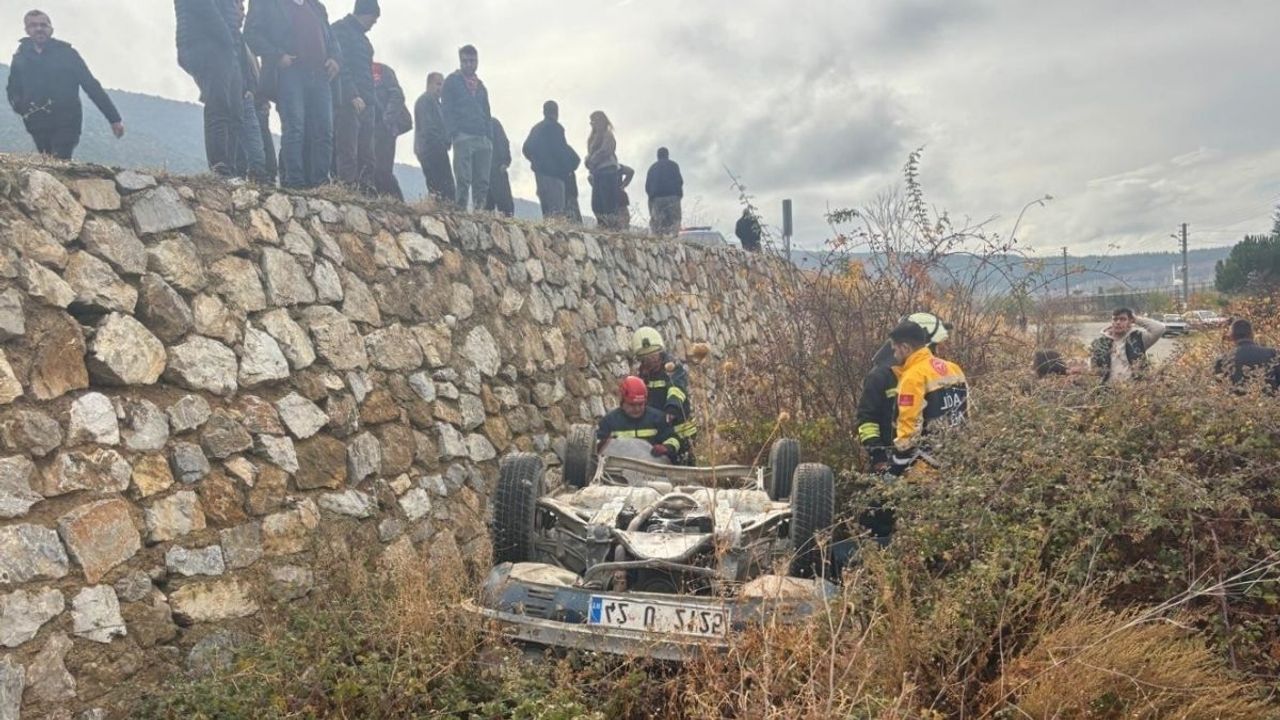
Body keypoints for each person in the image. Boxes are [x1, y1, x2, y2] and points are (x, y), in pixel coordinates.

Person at [245, 0, 340, 189]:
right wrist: (277, 55)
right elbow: (251, 34)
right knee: (295, 127)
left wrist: (335, 58)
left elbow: (332, 40)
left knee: (324, 130)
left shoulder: (316, 7)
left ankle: (320, 183)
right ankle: (294, 182)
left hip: (320, 75)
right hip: (290, 72)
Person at [7, 10, 124, 160]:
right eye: (33, 25)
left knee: (60, 158)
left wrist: (114, 118)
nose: (39, 28)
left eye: (43, 24)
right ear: (27, 30)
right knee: (47, 161)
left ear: (51, 29)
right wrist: (20, 107)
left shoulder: (67, 54)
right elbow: (12, 88)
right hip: (37, 122)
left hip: (67, 120)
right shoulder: (20, 56)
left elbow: (91, 86)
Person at [857, 313, 950, 474]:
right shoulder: (880, 377)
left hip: (926, 463)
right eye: (934, 347)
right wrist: (878, 456)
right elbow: (867, 420)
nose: (936, 354)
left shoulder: (927, 374)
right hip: (891, 461)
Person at [889, 320, 968, 475]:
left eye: (895, 349)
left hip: (926, 466)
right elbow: (965, 413)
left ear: (905, 348)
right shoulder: (954, 368)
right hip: (958, 459)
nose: (894, 354)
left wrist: (897, 468)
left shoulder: (912, 377)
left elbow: (909, 427)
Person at [175, 0, 244, 175]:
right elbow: (204, 8)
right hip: (205, 44)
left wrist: (232, 42)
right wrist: (227, 37)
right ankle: (220, 167)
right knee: (219, 106)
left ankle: (231, 169)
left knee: (236, 113)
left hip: (227, 48)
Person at [330, 0, 379, 193]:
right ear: (365, 13)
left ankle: (366, 190)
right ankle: (347, 188)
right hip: (348, 101)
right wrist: (351, 94)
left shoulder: (364, 40)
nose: (374, 24)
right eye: (373, 19)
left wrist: (374, 103)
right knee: (347, 148)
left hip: (367, 102)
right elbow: (342, 66)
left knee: (367, 153)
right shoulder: (341, 30)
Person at [631, 327, 697, 465]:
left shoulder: (672, 368)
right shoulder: (643, 374)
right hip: (661, 431)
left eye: (653, 355)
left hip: (682, 431)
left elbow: (677, 388)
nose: (650, 361)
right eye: (645, 358)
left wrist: (672, 407)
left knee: (684, 468)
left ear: (660, 352)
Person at [441, 44, 492, 211]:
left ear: (477, 62)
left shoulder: (481, 86)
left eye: (472, 60)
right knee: (463, 178)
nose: (469, 64)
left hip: (482, 138)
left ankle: (479, 211)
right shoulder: (451, 81)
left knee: (482, 180)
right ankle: (460, 211)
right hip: (463, 136)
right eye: (465, 61)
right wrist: (453, 132)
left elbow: (487, 112)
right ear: (460, 62)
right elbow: (446, 108)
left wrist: (489, 136)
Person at [596, 376, 683, 461]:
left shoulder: (658, 418)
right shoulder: (609, 422)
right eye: (632, 405)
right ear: (622, 401)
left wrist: (667, 447)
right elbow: (596, 448)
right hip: (620, 469)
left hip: (653, 468)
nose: (637, 409)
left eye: (641, 404)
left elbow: (674, 439)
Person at [522, 100, 579, 219]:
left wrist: (536, 163)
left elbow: (526, 148)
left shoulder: (536, 129)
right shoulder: (556, 128)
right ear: (556, 112)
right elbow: (560, 151)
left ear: (544, 112)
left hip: (540, 176)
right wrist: (567, 169)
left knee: (547, 213)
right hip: (555, 176)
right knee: (557, 213)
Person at [1089, 308, 1166, 385]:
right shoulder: (1100, 343)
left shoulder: (1138, 339)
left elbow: (1159, 328)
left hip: (1133, 392)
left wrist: (1137, 319)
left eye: (1123, 319)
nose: (1118, 322)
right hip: (1108, 392)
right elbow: (1093, 369)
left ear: (1130, 322)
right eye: (1115, 319)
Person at [371, 61, 410, 200]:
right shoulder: (353, 72)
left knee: (382, 169)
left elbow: (397, 95)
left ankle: (397, 203)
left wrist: (386, 120)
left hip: (383, 128)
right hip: (367, 128)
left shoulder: (381, 70)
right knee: (371, 169)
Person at [413, 72, 454, 202]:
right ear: (429, 84)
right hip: (431, 149)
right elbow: (428, 128)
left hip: (433, 148)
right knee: (442, 186)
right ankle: (444, 210)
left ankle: (444, 210)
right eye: (438, 84)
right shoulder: (426, 101)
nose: (441, 88)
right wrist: (442, 142)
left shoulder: (437, 104)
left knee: (442, 186)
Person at [1213, 319, 1279, 392]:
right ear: (1252, 334)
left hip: (1236, 402)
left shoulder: (1222, 360)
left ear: (1232, 337)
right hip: (1269, 401)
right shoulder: (1273, 353)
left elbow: (1218, 390)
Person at [585, 111, 621, 227]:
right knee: (596, 203)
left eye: (594, 121)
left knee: (608, 202)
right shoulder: (593, 138)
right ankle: (602, 225)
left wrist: (592, 160)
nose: (592, 124)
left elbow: (605, 151)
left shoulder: (607, 135)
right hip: (597, 172)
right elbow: (590, 153)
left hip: (608, 171)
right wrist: (588, 160)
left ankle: (611, 226)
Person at [645, 147, 683, 235]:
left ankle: (660, 243)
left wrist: (652, 199)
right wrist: (678, 196)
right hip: (673, 198)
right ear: (667, 155)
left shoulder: (652, 168)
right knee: (674, 223)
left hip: (657, 199)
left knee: (658, 225)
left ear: (657, 156)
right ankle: (673, 242)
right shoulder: (674, 166)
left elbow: (647, 186)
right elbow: (680, 181)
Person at [485, 117, 514, 216]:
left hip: (494, 168)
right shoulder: (492, 122)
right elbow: (503, 141)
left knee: (502, 204)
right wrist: (505, 161)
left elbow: (503, 142)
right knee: (503, 204)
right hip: (493, 168)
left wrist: (505, 161)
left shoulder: (492, 123)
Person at [612, 164, 635, 230]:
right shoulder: (616, 166)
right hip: (619, 196)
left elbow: (590, 178)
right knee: (624, 223)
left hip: (606, 199)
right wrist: (623, 185)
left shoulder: (599, 167)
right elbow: (630, 171)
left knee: (609, 224)